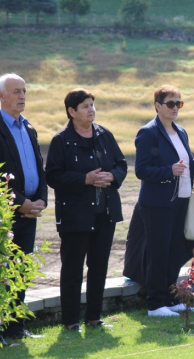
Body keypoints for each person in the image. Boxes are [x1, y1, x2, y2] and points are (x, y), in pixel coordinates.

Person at [45, 88, 127, 331]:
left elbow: (121, 164)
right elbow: (53, 176)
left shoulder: (105, 134)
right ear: (72, 111)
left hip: (106, 213)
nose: (91, 109)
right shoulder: (61, 140)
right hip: (75, 215)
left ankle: (94, 317)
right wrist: (85, 179)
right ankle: (70, 321)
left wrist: (112, 176)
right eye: (85, 106)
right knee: (72, 269)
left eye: (92, 105)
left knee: (99, 265)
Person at [135, 85, 194, 317]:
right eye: (170, 103)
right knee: (159, 253)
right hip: (158, 203)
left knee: (174, 252)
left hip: (181, 200)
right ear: (158, 106)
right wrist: (169, 170)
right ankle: (155, 304)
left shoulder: (181, 132)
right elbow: (142, 170)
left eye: (179, 103)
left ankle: (170, 298)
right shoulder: (148, 133)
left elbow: (184, 166)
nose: (175, 107)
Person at [0, 73, 47, 343]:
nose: (22, 97)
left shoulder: (28, 127)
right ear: (1, 96)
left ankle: (15, 327)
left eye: (25, 91)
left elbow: (38, 168)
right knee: (3, 271)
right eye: (16, 91)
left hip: (30, 212)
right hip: (5, 215)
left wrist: (40, 200)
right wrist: (21, 203)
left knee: (21, 269)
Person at [123, 176, 194, 302]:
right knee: (185, 237)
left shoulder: (184, 196)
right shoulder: (155, 199)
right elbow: (174, 230)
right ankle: (161, 291)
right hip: (145, 259)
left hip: (170, 249)